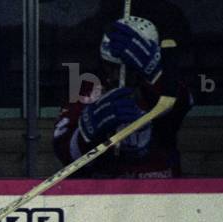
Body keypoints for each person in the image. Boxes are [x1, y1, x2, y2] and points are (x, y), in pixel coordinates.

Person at [53, 16, 192, 178]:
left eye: (127, 69)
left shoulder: (167, 87)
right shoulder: (88, 90)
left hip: (163, 186)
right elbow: (64, 155)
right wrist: (86, 132)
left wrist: (156, 75)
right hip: (106, 190)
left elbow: (181, 104)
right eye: (110, 66)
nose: (116, 76)